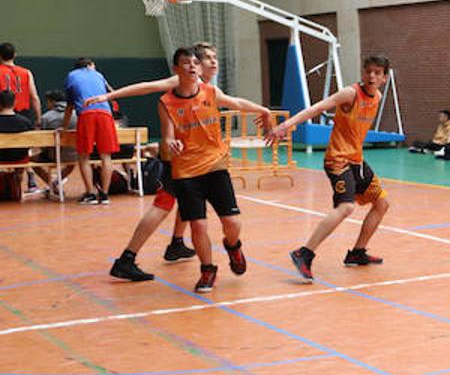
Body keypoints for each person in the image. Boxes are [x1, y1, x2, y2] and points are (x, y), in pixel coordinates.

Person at [99, 43, 228, 279]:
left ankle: (176, 243)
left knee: (189, 202)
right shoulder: (180, 82)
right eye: (207, 58)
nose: (213, 62)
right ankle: (127, 258)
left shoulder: (206, 88)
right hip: (176, 161)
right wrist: (108, 96)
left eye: (214, 58)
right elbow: (145, 87)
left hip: (193, 162)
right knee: (162, 206)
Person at [152, 47, 272, 293]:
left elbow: (237, 103)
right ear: (176, 69)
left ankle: (233, 246)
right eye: (186, 63)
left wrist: (263, 110)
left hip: (215, 166)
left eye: (195, 62)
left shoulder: (210, 91)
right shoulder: (166, 103)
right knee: (198, 226)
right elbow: (167, 135)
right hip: (186, 171)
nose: (192, 66)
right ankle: (207, 270)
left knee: (232, 223)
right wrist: (170, 142)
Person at [268, 54, 392, 281]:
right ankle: (304, 253)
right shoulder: (350, 93)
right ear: (363, 73)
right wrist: (285, 125)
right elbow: (318, 107)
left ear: (384, 77)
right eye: (368, 71)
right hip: (337, 160)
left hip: (356, 160)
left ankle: (357, 253)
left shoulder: (378, 97)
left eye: (377, 72)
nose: (371, 76)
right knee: (346, 207)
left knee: (382, 203)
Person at [61, 58, 116, 205]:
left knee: (84, 156)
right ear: (90, 65)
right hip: (105, 114)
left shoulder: (71, 76)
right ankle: (104, 195)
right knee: (106, 156)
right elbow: (112, 93)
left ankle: (90, 193)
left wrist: (64, 126)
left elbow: (70, 105)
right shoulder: (98, 75)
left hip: (86, 114)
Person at [0, 89, 34, 200]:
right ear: (15, 102)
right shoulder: (25, 122)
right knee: (24, 154)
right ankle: (17, 184)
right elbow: (33, 143)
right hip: (20, 158)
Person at [0, 42, 38, 126]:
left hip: (3, 114)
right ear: (14, 54)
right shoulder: (26, 72)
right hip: (23, 114)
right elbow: (34, 97)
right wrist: (38, 118)